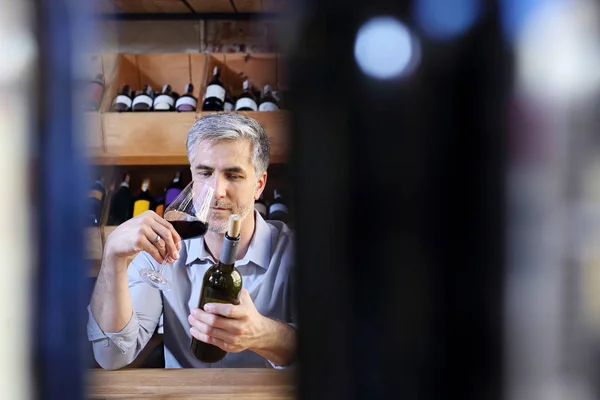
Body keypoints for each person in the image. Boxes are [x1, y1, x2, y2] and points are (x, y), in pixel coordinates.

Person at [87, 113, 297, 369]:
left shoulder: (297, 253)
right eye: (205, 173)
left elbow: (331, 356)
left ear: (259, 185)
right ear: (192, 177)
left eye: (233, 175)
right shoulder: (161, 249)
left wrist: (263, 333)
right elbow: (112, 357)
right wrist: (113, 259)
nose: (217, 191)